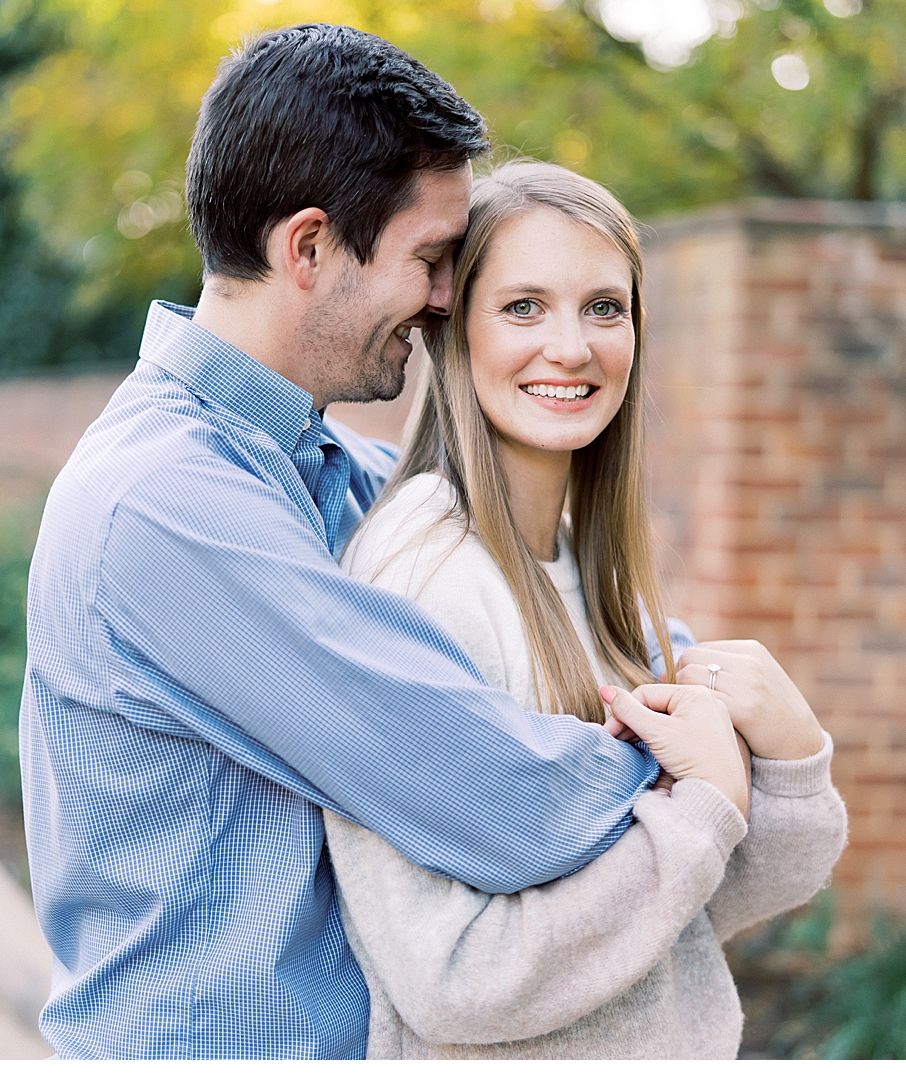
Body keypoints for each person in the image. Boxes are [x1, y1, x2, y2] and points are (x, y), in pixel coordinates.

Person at [19, 24, 682, 1060]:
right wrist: (708, 776)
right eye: (429, 260)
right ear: (310, 247)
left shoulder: (327, 472)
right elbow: (502, 798)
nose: (443, 301)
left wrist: (697, 676)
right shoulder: (162, 505)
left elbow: (537, 586)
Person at [328, 159, 848, 1058]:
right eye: (523, 306)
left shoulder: (584, 563)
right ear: (454, 331)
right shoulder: (424, 581)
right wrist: (703, 804)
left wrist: (792, 761)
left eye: (604, 307)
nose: (572, 347)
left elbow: (693, 907)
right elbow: (454, 977)